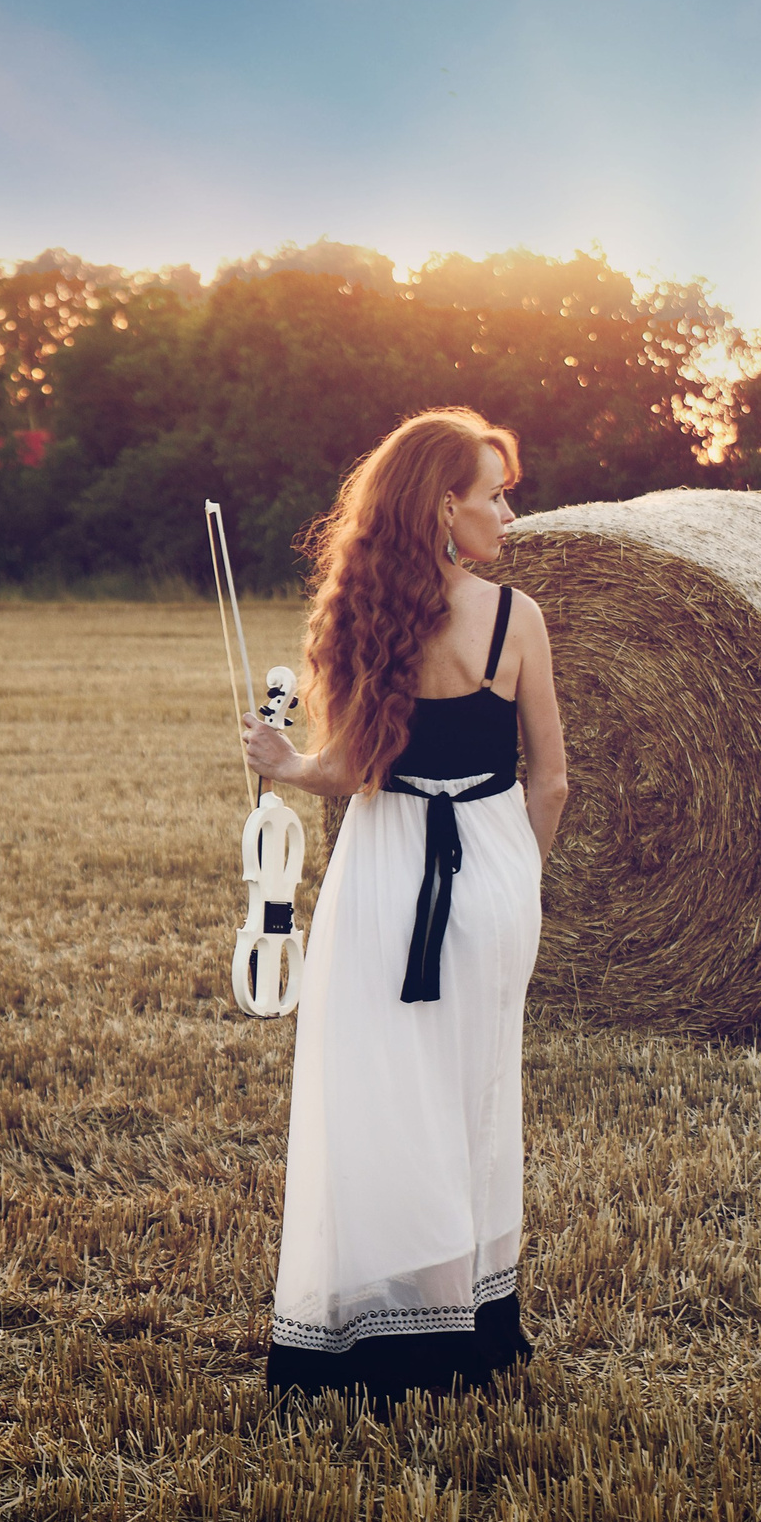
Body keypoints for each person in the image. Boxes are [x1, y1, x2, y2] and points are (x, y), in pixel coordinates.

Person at [242, 407, 569, 1401]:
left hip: (386, 873)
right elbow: (549, 781)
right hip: (492, 876)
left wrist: (283, 763)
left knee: (381, 1094)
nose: (508, 513)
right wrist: (515, 876)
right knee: (473, 1093)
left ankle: (390, 1337)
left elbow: (348, 768)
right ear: (443, 507)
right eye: (494, 493)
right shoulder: (516, 618)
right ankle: (474, 1320)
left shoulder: (360, 614)